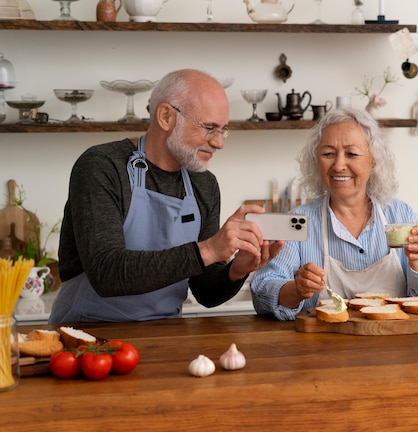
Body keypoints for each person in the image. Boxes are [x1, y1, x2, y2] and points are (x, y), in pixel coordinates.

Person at [49, 69, 283, 324]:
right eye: (209, 128)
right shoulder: (102, 166)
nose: (219, 143)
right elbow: (107, 273)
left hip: (164, 334)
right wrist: (209, 249)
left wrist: (236, 270)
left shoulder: (203, 183)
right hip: (87, 335)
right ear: (166, 116)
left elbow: (205, 292)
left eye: (223, 130)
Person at [251, 107, 418, 321]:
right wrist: (296, 289)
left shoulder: (401, 214)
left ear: (374, 161)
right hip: (319, 349)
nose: (338, 165)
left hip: (394, 347)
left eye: (352, 154)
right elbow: (262, 292)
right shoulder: (296, 221)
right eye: (328, 154)